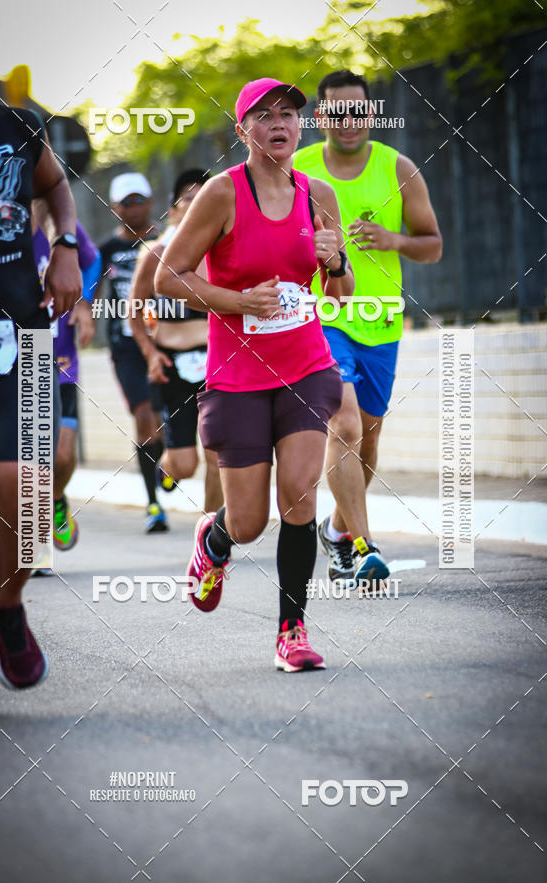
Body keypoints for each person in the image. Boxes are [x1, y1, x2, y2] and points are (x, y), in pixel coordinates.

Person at [156, 78, 354, 672]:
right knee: (249, 522)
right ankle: (213, 541)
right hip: (237, 378)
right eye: (264, 116)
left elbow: (340, 295)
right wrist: (240, 302)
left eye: (289, 114)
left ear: (301, 125)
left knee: (298, 498)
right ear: (243, 130)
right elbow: (170, 278)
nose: (280, 124)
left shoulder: (318, 193)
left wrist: (336, 260)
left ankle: (291, 631)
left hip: (306, 370)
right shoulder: (221, 194)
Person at [0, 4, 82, 719]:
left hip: (17, 340)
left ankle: (6, 604)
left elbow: (55, 184)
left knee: (26, 491)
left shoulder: (15, 127)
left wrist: (64, 246)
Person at [293, 70, 442, 584]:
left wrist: (394, 240)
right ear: (321, 117)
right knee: (344, 425)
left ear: (371, 113)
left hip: (380, 323)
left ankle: (337, 531)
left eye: (358, 110)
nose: (348, 120)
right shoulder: (299, 169)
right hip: (323, 316)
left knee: (368, 442)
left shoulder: (397, 168)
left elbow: (433, 245)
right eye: (337, 111)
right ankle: (365, 545)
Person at [129, 168, 223, 512]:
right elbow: (135, 310)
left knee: (217, 454)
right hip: (171, 364)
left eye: (203, 199)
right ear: (174, 210)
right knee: (186, 464)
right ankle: (167, 468)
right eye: (188, 199)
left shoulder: (224, 251)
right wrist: (150, 353)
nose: (196, 205)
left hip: (215, 362)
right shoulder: (155, 253)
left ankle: (212, 534)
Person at [98, 173, 167, 533]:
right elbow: (89, 296)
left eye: (140, 200)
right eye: (127, 202)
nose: (134, 207)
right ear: (114, 207)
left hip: (167, 340)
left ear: (151, 202)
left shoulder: (166, 241)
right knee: (144, 418)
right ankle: (153, 503)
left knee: (164, 417)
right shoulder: (106, 250)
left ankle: (170, 456)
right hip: (126, 346)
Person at [33, 218, 101, 563]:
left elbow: (93, 260)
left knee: (61, 456)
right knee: (29, 463)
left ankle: (56, 497)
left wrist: (85, 303)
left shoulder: (64, 223)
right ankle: (38, 548)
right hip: (17, 358)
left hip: (60, 360)